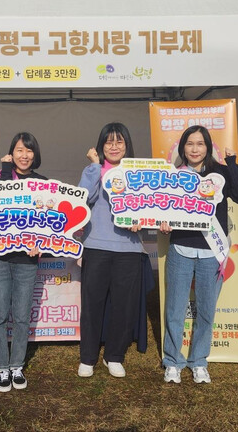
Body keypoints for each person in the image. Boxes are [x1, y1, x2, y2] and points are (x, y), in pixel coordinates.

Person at [159, 125, 238, 384]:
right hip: (180, 249)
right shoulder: (174, 176)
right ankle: (173, 361)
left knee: (207, 311)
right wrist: (162, 222)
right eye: (190, 143)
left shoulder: (220, 173)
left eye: (200, 143)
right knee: (175, 310)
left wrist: (232, 163)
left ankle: (199, 361)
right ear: (182, 147)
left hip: (212, 252)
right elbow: (163, 209)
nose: (195, 149)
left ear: (208, 147)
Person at [77, 122, 143, 379]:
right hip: (96, 245)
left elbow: (150, 206)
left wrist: (143, 220)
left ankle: (114, 355)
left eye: (119, 141)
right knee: (92, 303)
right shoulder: (94, 170)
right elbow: (83, 198)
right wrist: (94, 166)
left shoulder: (138, 172)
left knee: (124, 306)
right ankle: (88, 357)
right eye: (109, 142)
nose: (114, 147)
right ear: (101, 145)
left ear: (127, 145)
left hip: (129, 248)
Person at [0, 132, 46, 392]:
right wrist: (6, 170)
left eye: (29, 150)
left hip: (27, 260)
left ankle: (17, 365)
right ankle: (1, 366)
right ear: (11, 153)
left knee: (22, 316)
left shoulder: (43, 183)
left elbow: (48, 222)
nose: (24, 155)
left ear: (35, 154)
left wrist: (40, 243)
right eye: (19, 150)